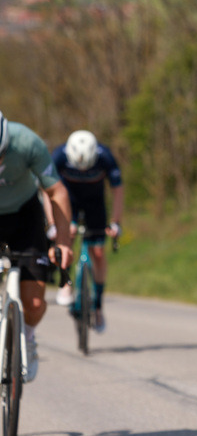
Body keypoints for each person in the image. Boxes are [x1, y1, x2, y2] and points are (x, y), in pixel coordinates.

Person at [0, 111, 73, 382]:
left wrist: (63, 243)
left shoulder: (27, 142)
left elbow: (57, 192)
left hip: (24, 216)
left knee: (34, 302)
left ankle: (27, 339)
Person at [51, 130, 125, 331]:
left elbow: (117, 189)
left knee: (99, 253)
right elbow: (46, 189)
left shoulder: (105, 156)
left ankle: (98, 306)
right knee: (67, 238)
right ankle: (65, 283)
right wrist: (53, 224)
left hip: (95, 205)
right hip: (69, 203)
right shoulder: (58, 156)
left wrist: (115, 222)